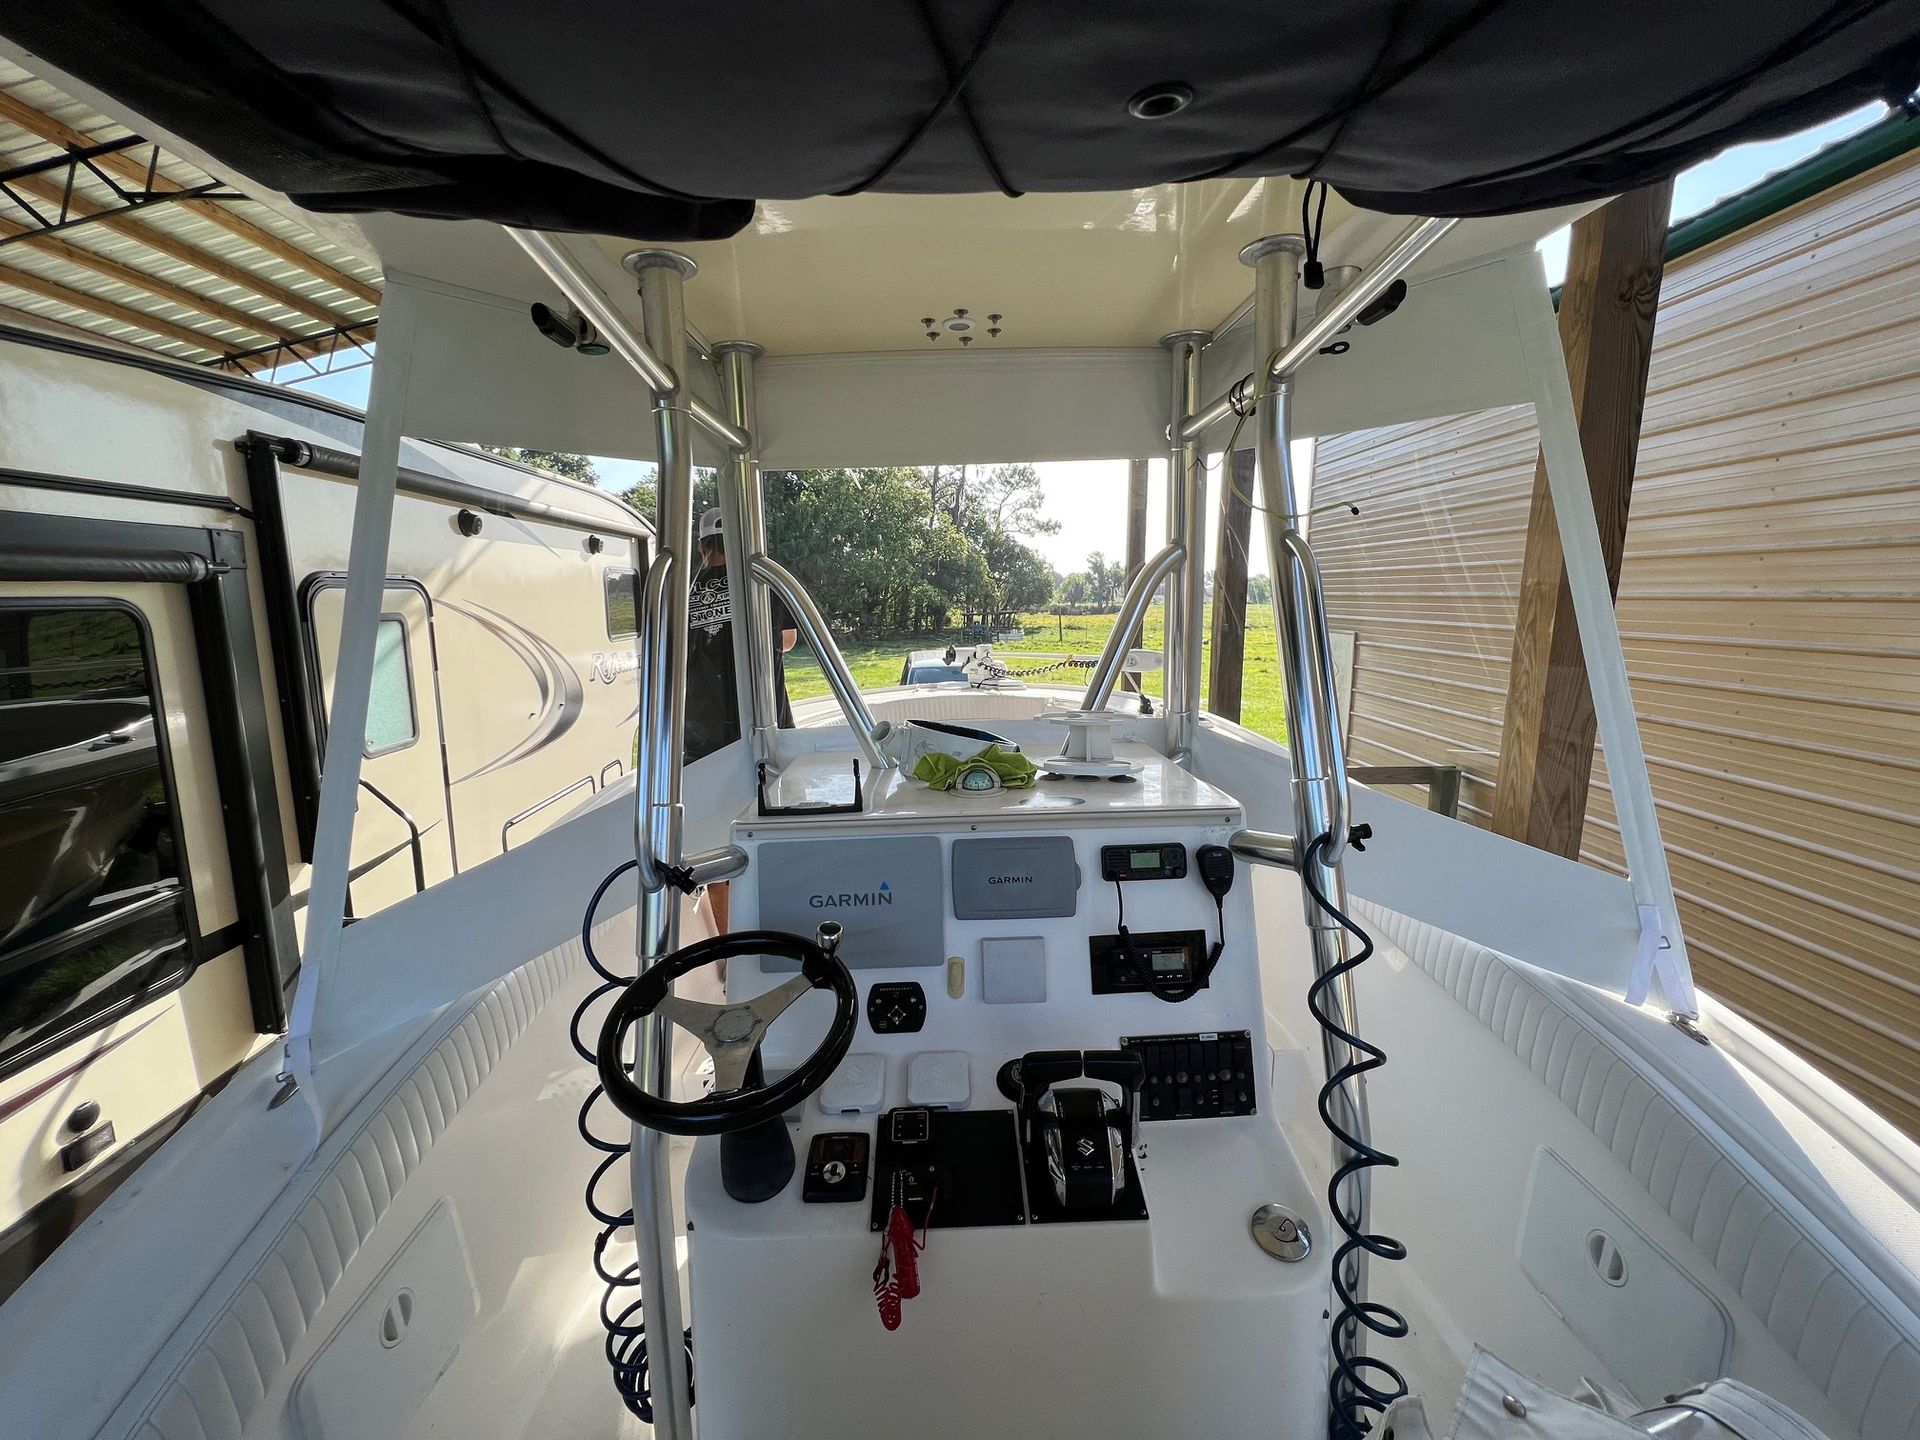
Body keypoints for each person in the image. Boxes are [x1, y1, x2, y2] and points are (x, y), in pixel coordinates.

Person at [683, 506, 797, 764]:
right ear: (740, 540)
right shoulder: (763, 583)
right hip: (766, 715)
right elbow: (788, 641)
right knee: (775, 793)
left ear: (702, 545)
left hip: (702, 729)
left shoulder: (683, 590)